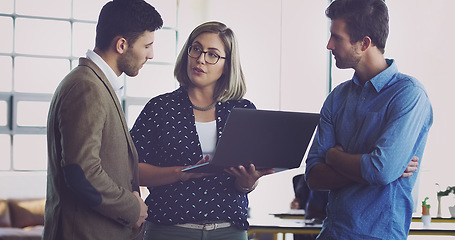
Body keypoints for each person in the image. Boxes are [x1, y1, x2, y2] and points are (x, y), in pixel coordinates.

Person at [130, 21, 274, 240]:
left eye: (212, 54)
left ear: (227, 65)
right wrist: (181, 173)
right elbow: (132, 169)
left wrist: (247, 183)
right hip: (169, 230)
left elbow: (247, 177)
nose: (201, 59)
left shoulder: (243, 111)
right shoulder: (159, 108)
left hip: (229, 231)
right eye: (196, 48)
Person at [304, 0, 433, 239]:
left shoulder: (409, 94)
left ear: (364, 43)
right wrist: (381, 167)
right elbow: (313, 176)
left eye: (337, 37)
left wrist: (335, 157)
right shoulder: (337, 98)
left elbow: (381, 170)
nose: (329, 45)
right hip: (331, 233)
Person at [43, 0, 163, 239]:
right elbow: (82, 172)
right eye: (147, 45)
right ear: (121, 45)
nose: (151, 55)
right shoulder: (87, 87)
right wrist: (132, 208)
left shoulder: (96, 83)